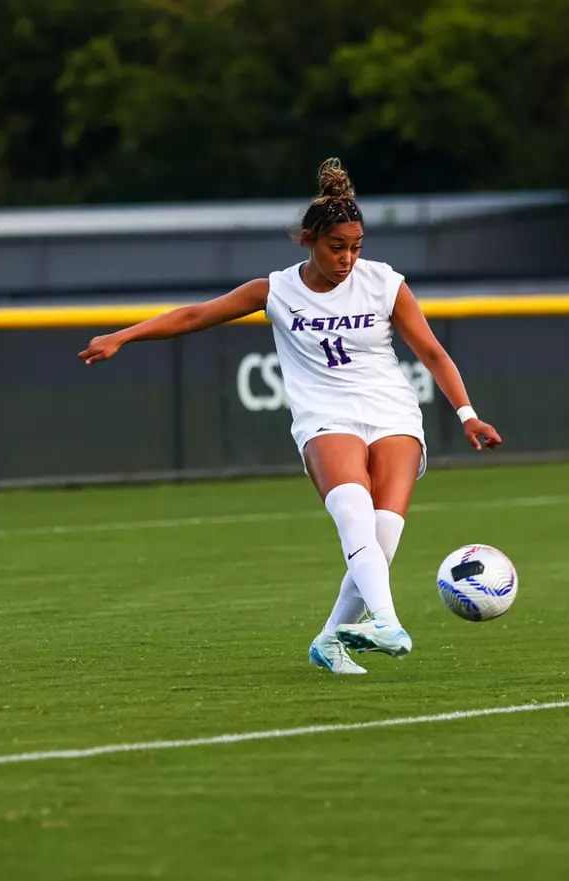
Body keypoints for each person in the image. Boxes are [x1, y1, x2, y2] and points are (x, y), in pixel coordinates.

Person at [79, 158, 502, 674]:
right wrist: (123, 335)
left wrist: (467, 415)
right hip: (326, 415)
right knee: (353, 517)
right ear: (307, 240)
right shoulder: (275, 291)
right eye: (336, 247)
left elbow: (433, 353)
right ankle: (386, 622)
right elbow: (194, 316)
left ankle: (329, 641)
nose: (347, 258)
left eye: (356, 247)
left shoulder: (385, 284)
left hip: (392, 411)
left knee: (382, 537)